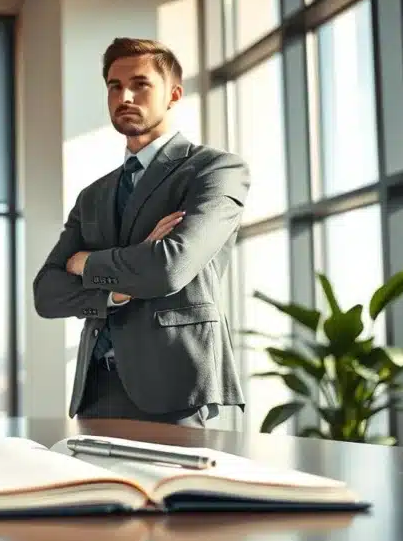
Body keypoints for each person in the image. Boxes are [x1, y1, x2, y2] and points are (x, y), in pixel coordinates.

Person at [32, 37, 250, 427]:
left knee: (176, 491)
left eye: (140, 84)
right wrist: (116, 291)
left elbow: (168, 269)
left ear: (173, 94)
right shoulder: (94, 195)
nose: (125, 96)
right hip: (95, 391)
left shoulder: (214, 170)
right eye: (114, 86)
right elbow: (46, 294)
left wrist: (86, 263)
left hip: (174, 389)